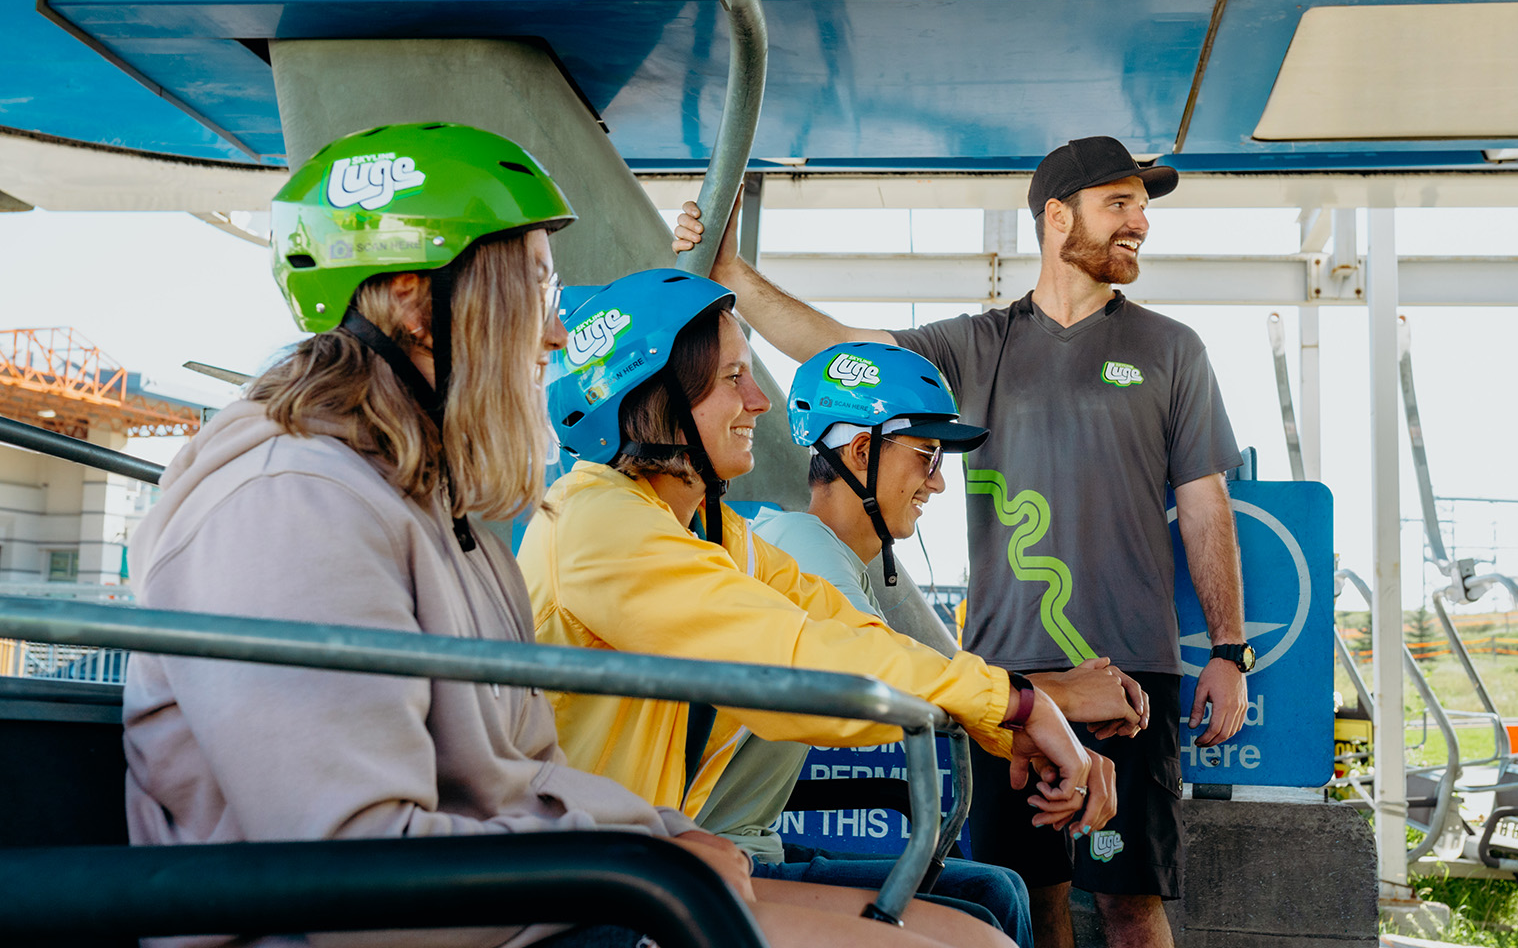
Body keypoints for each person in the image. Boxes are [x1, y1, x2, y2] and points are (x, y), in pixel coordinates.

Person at [121, 121, 1019, 948]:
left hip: (523, 902)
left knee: (972, 933)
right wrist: (638, 866)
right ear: (416, 303)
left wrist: (663, 837)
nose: (556, 330)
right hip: (448, 924)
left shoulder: (436, 513)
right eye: (535, 286)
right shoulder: (290, 510)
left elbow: (524, 772)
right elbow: (362, 880)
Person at [670, 136, 1252, 948]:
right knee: (1027, 895)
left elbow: (1204, 505)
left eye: (1142, 207)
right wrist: (733, 276)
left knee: (1131, 904)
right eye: (1120, 204)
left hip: (1129, 679)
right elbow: (848, 359)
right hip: (1001, 674)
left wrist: (1230, 649)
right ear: (1057, 217)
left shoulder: (1170, 349)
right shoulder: (975, 344)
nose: (1140, 224)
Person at [518, 272, 1123, 903]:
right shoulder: (600, 523)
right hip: (584, 883)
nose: (759, 400)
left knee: (993, 902)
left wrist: (1005, 715)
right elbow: (797, 659)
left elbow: (837, 626)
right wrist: (1017, 705)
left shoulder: (715, 531)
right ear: (654, 396)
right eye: (733, 379)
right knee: (979, 923)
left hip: (646, 853)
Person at [692, 342, 1154, 948]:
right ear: (861, 453)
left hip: (752, 843)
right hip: (716, 856)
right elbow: (876, 683)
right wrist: (1052, 697)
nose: (937, 482)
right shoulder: (801, 547)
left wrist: (1024, 726)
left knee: (997, 891)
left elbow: (911, 673)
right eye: (927, 455)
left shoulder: (828, 559)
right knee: (987, 911)